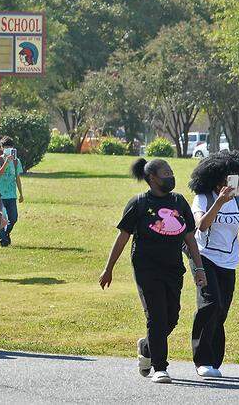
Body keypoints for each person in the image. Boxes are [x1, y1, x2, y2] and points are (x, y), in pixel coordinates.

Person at [99, 158, 207, 385]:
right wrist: (108, 268)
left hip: (173, 267)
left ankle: (147, 346)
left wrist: (199, 268)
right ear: (152, 178)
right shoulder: (138, 203)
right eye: (165, 173)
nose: (170, 176)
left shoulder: (179, 201)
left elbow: (190, 238)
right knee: (156, 316)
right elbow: (123, 237)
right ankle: (160, 367)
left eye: (171, 172)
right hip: (146, 267)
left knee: (172, 316)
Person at [188, 151, 239, 378]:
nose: (228, 182)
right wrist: (219, 202)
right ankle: (202, 360)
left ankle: (214, 360)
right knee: (210, 304)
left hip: (229, 262)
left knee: (221, 311)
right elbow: (201, 226)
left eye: (232, 178)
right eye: (224, 178)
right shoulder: (203, 198)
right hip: (204, 258)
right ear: (214, 178)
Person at [0, 137, 25, 247]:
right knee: (1, 218)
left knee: (13, 218)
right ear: (2, 148)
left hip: (11, 195)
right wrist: (6, 161)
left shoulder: (16, 161)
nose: (8, 149)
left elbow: (17, 178)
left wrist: (21, 193)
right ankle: (3, 240)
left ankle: (6, 233)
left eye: (10, 147)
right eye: (6, 147)